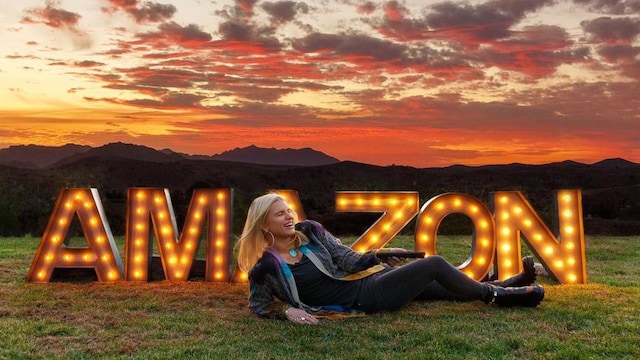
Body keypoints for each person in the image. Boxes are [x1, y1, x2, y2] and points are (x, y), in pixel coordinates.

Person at [236, 193, 544, 324]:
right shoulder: (266, 267)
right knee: (434, 266)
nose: (289, 216)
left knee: (433, 287)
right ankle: (497, 295)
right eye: (280, 214)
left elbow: (346, 259)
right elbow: (260, 305)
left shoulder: (311, 232)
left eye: (288, 209)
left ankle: (508, 284)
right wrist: (287, 311)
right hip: (362, 298)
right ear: (264, 224)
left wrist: (378, 255)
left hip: (370, 279)